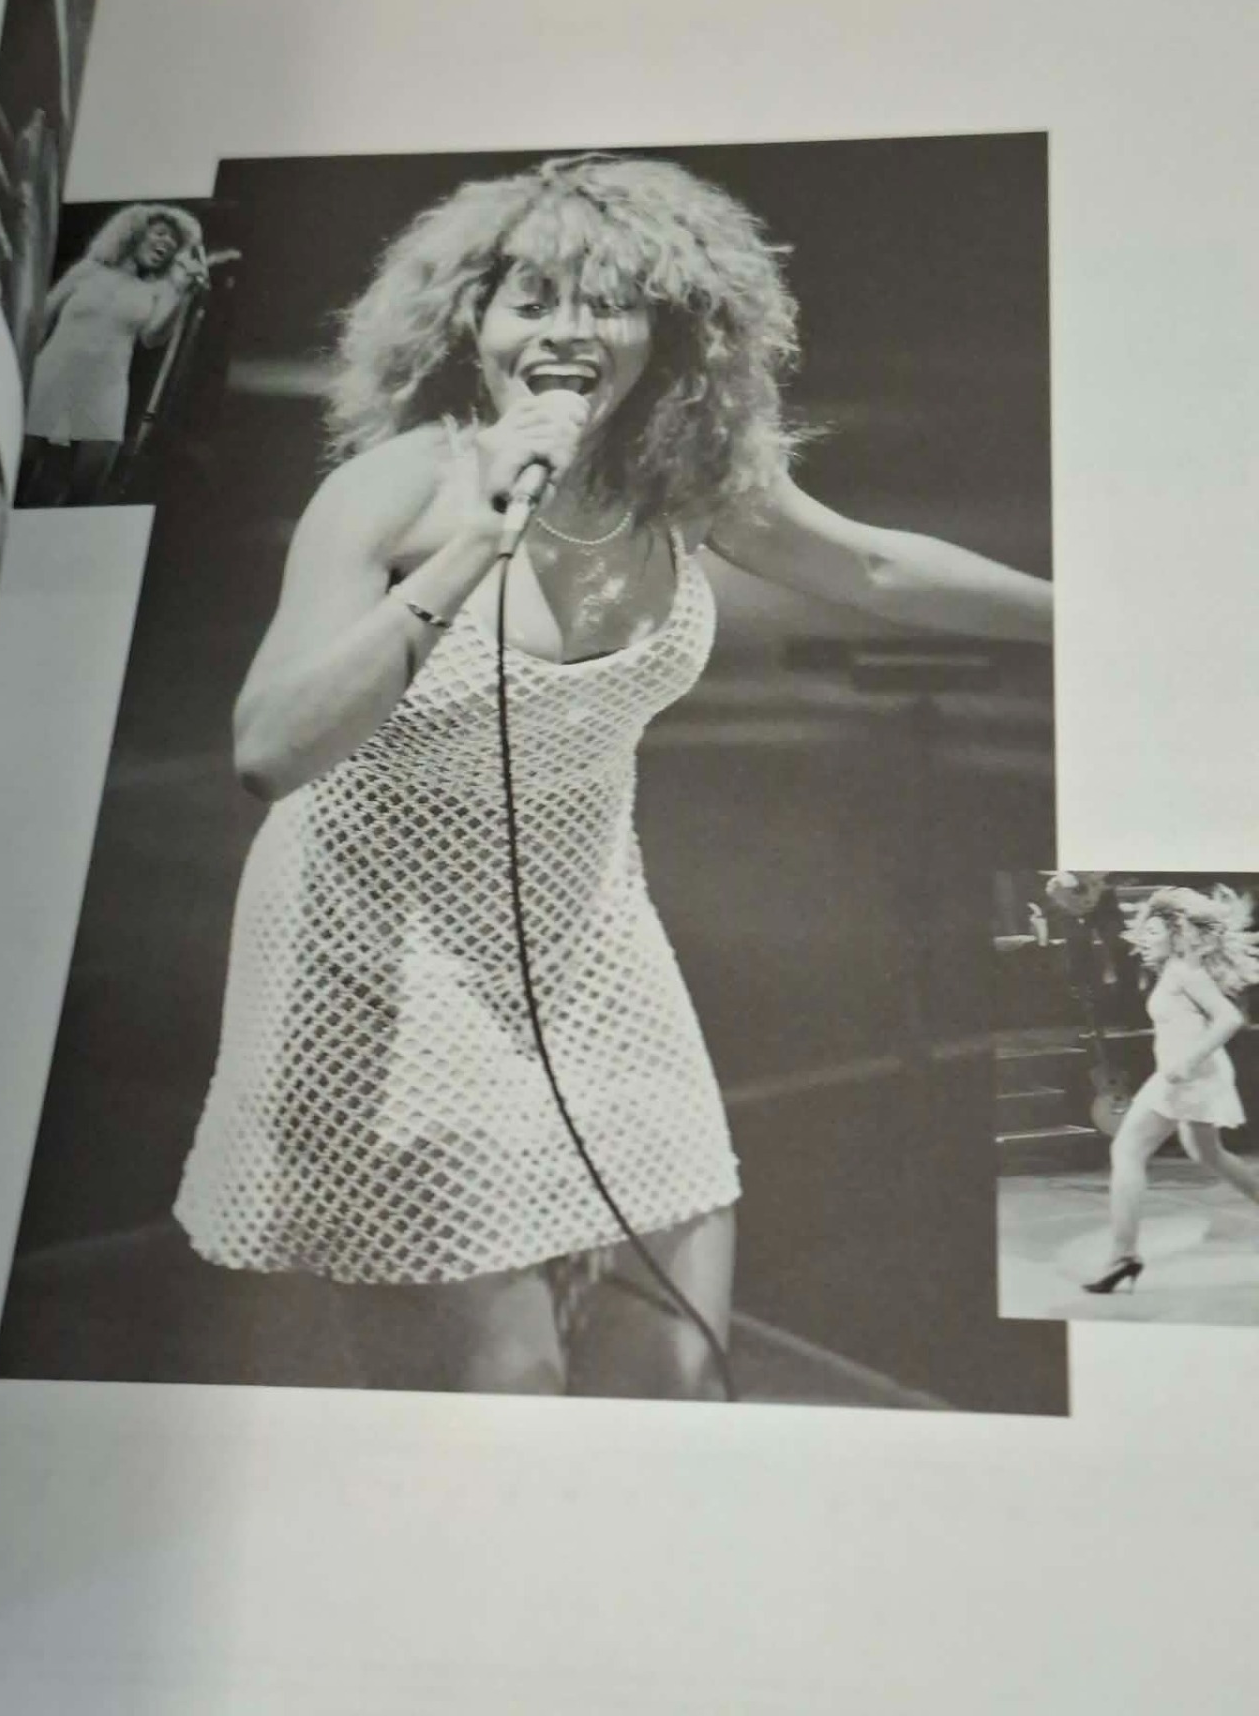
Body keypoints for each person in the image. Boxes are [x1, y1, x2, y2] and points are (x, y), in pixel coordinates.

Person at [173, 153, 1052, 1399]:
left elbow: (874, 569)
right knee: (501, 1393)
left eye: (609, 303)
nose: (567, 329)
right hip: (379, 961)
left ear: (671, 335)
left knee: (676, 1371)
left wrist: (1103, 619)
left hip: (593, 952)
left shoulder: (680, 489)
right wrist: (474, 546)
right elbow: (270, 746)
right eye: (531, 300)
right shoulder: (390, 494)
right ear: (469, 326)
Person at [1083, 885, 1259, 1295]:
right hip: (1184, 1074)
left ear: (1177, 935)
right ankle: (1124, 1255)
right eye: (1144, 931)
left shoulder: (1184, 972)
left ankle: (1123, 1256)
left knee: (1127, 1150)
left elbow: (1229, 1018)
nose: (1144, 938)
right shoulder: (1172, 970)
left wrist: (1189, 1061)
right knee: (1207, 1153)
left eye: (1154, 932)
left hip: (1189, 1076)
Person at [18, 204, 206, 506]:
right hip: (52, 375)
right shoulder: (88, 270)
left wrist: (183, 293)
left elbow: (152, 338)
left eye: (174, 242)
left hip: (106, 389)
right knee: (22, 471)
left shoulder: (160, 289)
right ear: (133, 233)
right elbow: (41, 319)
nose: (167, 244)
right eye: (160, 234)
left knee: (86, 489)